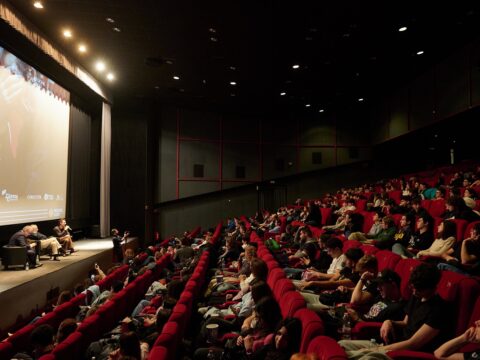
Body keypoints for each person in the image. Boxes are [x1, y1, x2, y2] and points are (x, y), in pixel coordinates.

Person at [339, 263, 452, 357]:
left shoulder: (440, 310)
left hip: (406, 354)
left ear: (431, 287)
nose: (414, 292)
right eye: (412, 287)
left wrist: (377, 350)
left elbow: (413, 344)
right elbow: (405, 323)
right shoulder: (416, 296)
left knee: (356, 356)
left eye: (418, 289)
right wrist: (389, 321)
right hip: (393, 344)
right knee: (342, 345)